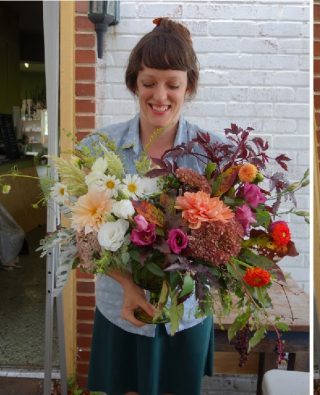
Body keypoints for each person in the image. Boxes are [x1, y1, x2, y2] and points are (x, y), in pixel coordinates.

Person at [85, 18, 216, 395]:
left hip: (185, 314)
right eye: (148, 83)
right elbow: (80, 233)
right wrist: (127, 285)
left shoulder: (211, 155)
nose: (160, 95)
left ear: (188, 86)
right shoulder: (99, 149)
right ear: (133, 84)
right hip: (119, 309)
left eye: (172, 84)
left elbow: (227, 236)